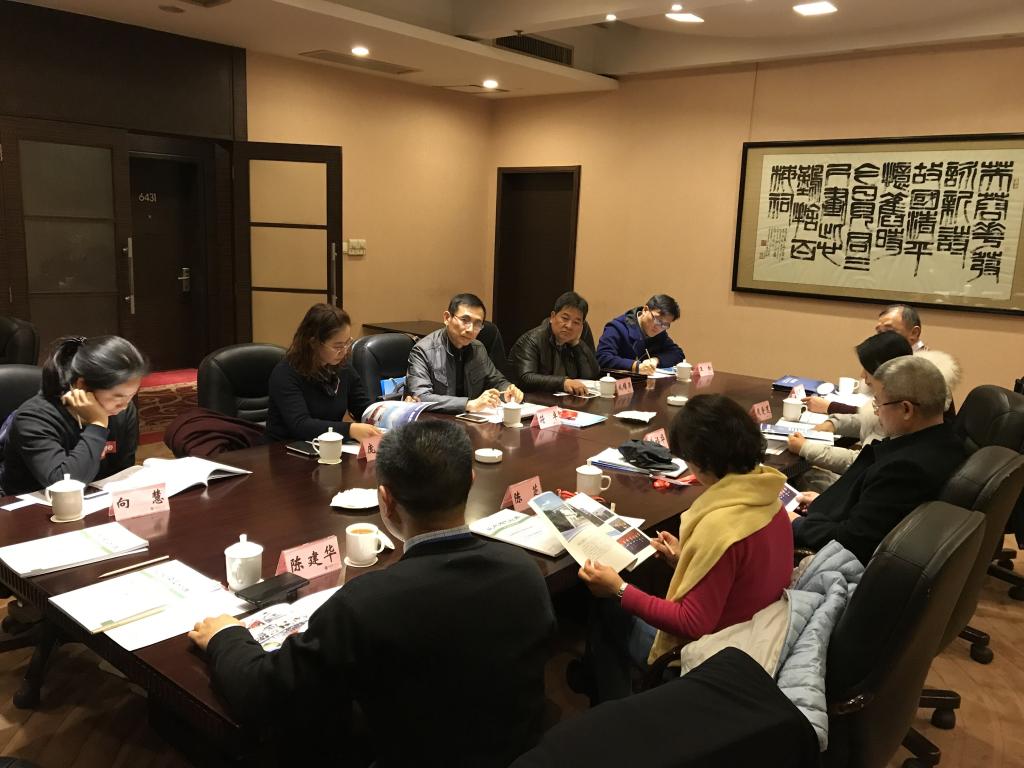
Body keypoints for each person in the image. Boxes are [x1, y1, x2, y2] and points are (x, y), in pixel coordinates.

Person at [189, 420, 556, 767]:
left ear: (386, 500)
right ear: (471, 481)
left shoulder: (367, 603)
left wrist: (226, 637)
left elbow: (264, 695)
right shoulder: (524, 571)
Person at [573, 394, 793, 702]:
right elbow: (737, 574)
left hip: (714, 659)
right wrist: (683, 560)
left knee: (607, 607)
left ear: (703, 461)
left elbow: (692, 623)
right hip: (757, 634)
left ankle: (616, 708)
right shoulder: (768, 496)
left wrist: (619, 589)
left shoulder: (722, 525)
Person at [791, 355, 967, 565]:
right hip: (835, 521)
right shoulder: (948, 441)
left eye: (879, 403)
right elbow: (873, 510)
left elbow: (852, 540)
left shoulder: (905, 470)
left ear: (906, 409)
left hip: (835, 561)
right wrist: (826, 503)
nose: (876, 412)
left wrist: (796, 524)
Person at [0, 335, 147, 496]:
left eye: (131, 396)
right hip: (32, 506)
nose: (124, 405)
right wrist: (97, 425)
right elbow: (64, 486)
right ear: (81, 385)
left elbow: (122, 474)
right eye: (117, 397)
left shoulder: (123, 412)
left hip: (96, 501)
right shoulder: (33, 418)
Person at [787, 331, 913, 477]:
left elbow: (861, 463)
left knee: (800, 477)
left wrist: (806, 448)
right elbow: (869, 420)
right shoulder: (896, 398)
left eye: (867, 370)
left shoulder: (897, 408)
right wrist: (834, 424)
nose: (863, 376)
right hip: (861, 480)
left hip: (861, 484)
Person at [266, 303, 381, 442]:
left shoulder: (342, 368)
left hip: (328, 446)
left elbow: (362, 408)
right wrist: (350, 430)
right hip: (286, 448)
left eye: (347, 343)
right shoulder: (285, 374)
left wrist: (389, 412)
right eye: (338, 346)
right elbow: (300, 425)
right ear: (313, 343)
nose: (344, 351)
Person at [406, 293, 523, 414]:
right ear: (447, 318)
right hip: (437, 421)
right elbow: (420, 397)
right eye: (464, 320)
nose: (470, 329)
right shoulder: (423, 350)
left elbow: (496, 381)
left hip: (471, 419)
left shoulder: (478, 348)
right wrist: (469, 404)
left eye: (477, 324)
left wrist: (508, 390)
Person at [508, 291, 600, 395]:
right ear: (552, 317)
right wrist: (563, 382)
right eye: (565, 318)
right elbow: (526, 377)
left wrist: (576, 345)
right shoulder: (532, 339)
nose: (569, 326)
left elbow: (591, 376)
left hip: (563, 399)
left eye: (576, 322)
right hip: (530, 399)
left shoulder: (575, 341)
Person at [596, 294, 685, 374]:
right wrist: (636, 366)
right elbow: (603, 357)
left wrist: (656, 360)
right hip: (618, 383)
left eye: (665, 324)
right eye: (657, 320)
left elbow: (678, 353)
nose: (659, 327)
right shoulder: (617, 327)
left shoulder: (659, 332)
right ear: (645, 310)